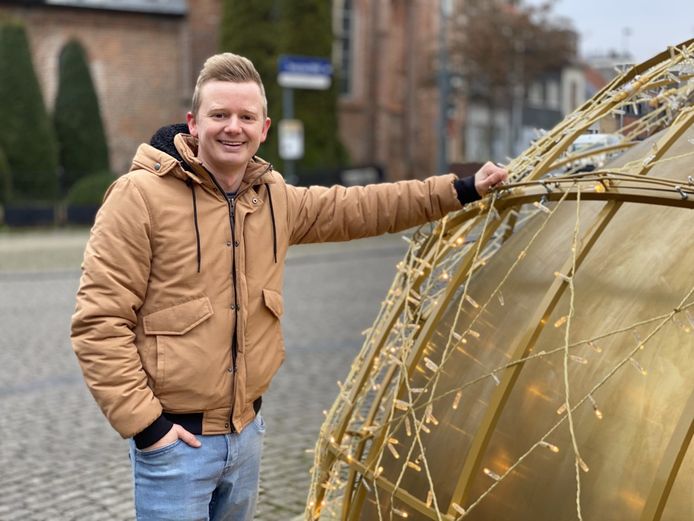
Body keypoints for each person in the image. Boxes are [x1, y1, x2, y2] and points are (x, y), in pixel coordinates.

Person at [71, 52, 507, 521]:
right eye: (219, 115)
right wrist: (147, 426)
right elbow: (98, 322)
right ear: (193, 123)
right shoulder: (139, 196)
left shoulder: (274, 197)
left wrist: (460, 190)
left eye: (246, 117)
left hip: (246, 437)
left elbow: (363, 206)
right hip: (175, 446)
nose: (232, 127)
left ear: (264, 128)